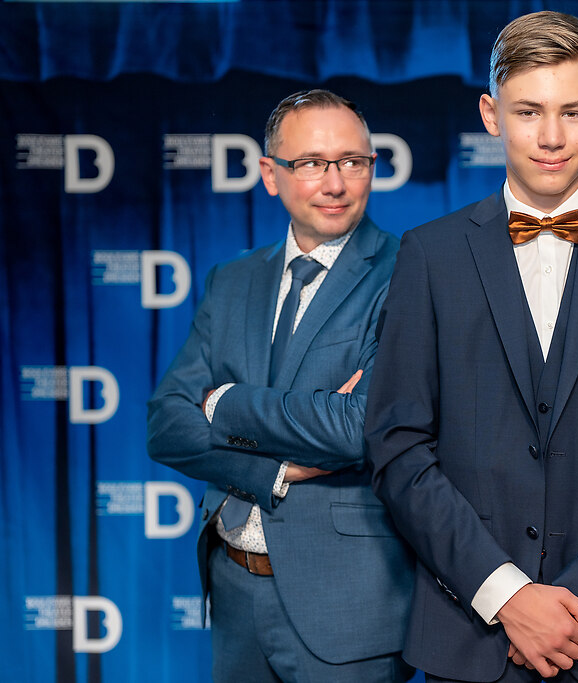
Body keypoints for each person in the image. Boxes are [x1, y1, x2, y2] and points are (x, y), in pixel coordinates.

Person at [364, 11, 578, 683]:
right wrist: (507, 595)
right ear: (491, 115)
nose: (552, 137)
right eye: (528, 112)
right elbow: (399, 450)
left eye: (572, 112)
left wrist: (572, 606)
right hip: (466, 640)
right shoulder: (429, 256)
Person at [147, 89, 414, 682]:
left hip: (349, 605)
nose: (335, 183)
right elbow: (165, 424)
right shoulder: (232, 279)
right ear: (271, 175)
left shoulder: (409, 273)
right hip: (233, 590)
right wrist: (271, 471)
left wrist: (223, 403)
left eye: (353, 162)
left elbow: (357, 428)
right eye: (312, 163)